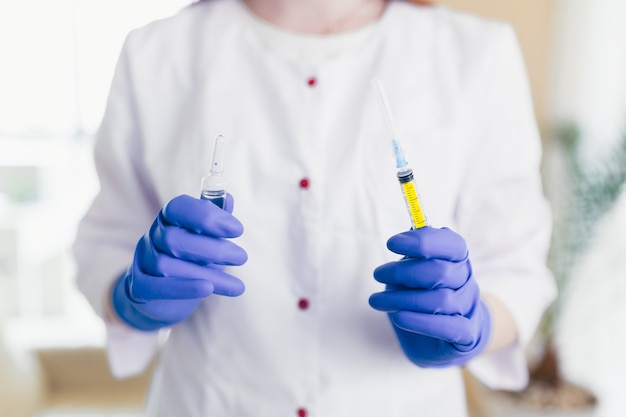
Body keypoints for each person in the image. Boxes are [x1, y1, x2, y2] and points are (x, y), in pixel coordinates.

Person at [72, 0, 557, 415]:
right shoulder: (157, 53)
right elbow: (105, 242)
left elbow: (516, 267)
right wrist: (132, 298)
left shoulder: (474, 53)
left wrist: (475, 325)